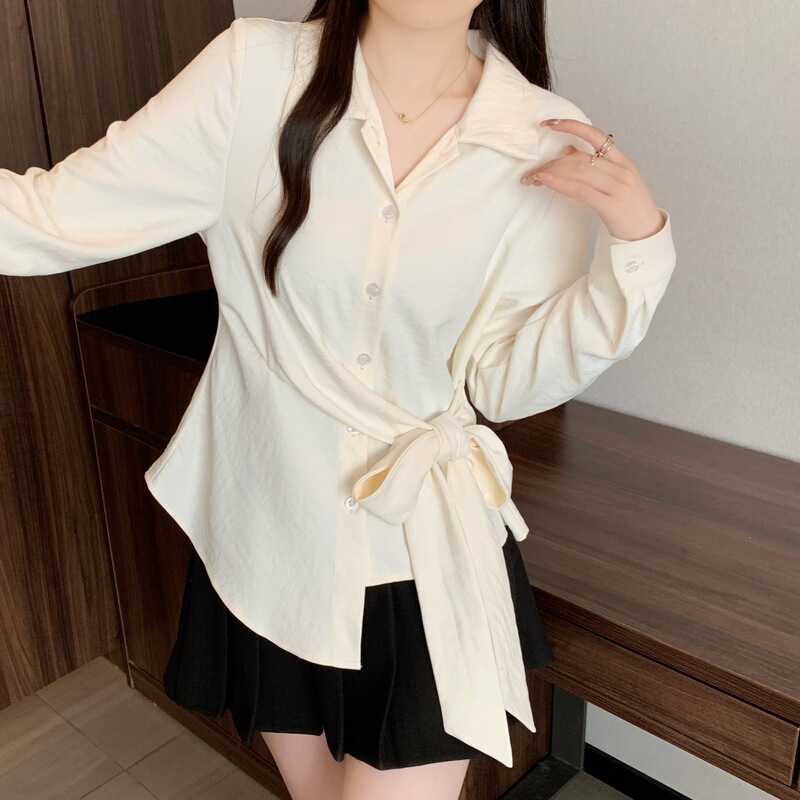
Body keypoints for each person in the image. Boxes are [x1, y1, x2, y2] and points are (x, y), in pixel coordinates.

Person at [0, 0, 677, 798]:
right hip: (269, 534)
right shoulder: (254, 75)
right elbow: (47, 217)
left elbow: (503, 379)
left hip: (421, 545)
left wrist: (638, 254)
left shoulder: (543, 134)